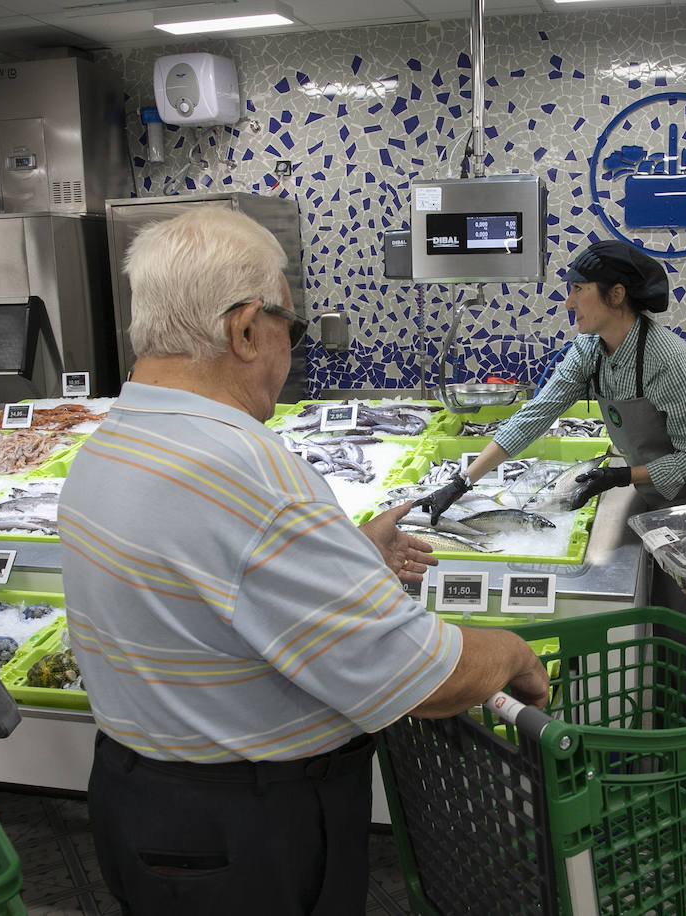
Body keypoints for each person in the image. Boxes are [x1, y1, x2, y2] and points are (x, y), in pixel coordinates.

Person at [57, 208, 549, 916]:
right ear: (245, 329)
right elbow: (420, 678)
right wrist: (513, 655)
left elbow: (216, 591)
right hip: (245, 829)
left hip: (138, 801)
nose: (292, 347)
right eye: (290, 324)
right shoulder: (242, 470)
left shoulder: (113, 440)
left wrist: (349, 558)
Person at [417, 239, 686, 637]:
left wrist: (623, 476)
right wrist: (462, 481)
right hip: (662, 510)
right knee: (675, 627)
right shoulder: (590, 350)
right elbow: (536, 415)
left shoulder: (671, 361)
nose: (568, 303)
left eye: (578, 290)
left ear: (615, 295)